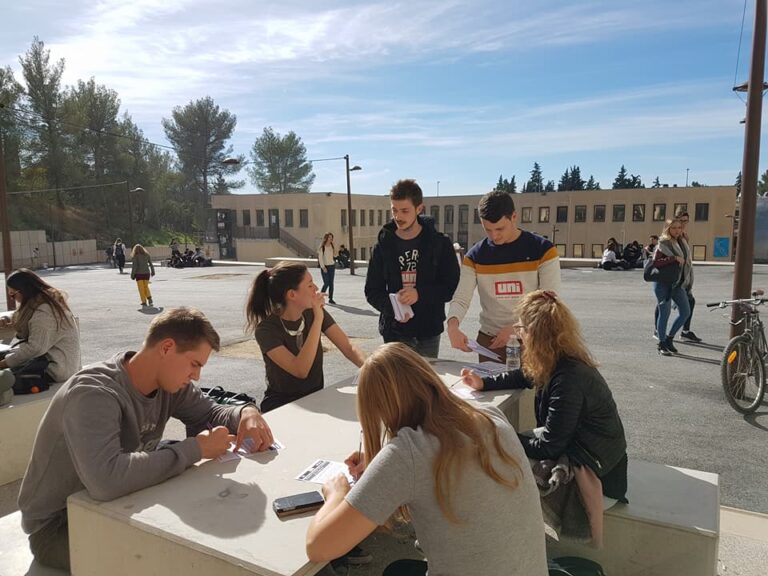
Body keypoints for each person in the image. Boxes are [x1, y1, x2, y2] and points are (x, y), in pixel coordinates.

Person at [17, 307, 275, 571]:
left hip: (121, 502)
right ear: (166, 348)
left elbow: (209, 413)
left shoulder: (170, 384)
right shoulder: (93, 392)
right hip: (60, 525)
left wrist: (246, 413)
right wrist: (195, 449)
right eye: (194, 364)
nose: (196, 376)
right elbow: (106, 481)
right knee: (167, 560)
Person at [305, 343, 547, 576]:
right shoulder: (489, 417)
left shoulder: (407, 454)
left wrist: (336, 493)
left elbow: (318, 547)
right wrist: (379, 462)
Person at [461, 289, 628, 504]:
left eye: (520, 328)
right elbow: (524, 376)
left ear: (535, 334)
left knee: (495, 463)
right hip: (586, 452)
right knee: (498, 452)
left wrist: (498, 435)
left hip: (598, 477)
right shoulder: (559, 359)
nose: (518, 334)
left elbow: (548, 447)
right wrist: (483, 383)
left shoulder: (568, 380)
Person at [447, 190, 561, 362]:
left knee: (535, 381)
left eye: (500, 228)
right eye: (488, 230)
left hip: (533, 338)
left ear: (514, 217)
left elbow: (549, 301)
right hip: (491, 342)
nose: (494, 236)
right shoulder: (475, 256)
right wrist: (453, 326)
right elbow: (461, 298)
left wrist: (518, 327)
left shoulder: (543, 250)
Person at [246, 262, 365, 413]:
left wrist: (372, 369)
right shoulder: (266, 330)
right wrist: (318, 320)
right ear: (292, 295)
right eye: (309, 285)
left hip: (316, 397)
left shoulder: (313, 312)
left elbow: (348, 347)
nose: (316, 288)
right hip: (282, 405)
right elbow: (300, 370)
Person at [365, 179, 460, 358]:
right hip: (394, 332)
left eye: (404, 210)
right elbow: (372, 291)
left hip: (428, 332)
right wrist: (394, 308)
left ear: (419, 209)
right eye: (394, 210)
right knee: (397, 377)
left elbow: (450, 287)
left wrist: (419, 294)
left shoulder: (439, 243)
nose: (398, 216)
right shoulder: (383, 246)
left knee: (425, 376)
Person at [0, 269, 80, 395]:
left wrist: (4, 364)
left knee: (5, 379)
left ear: (24, 290)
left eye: (13, 295)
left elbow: (35, 348)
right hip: (53, 362)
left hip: (56, 370)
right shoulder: (44, 301)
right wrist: (7, 319)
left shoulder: (44, 312)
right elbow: (24, 318)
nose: (12, 299)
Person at [651, 219, 692, 356]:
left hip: (677, 283)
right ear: (667, 229)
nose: (677, 230)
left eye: (679, 227)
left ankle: (669, 338)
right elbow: (656, 262)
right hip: (663, 283)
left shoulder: (682, 242)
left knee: (685, 312)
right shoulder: (663, 243)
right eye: (673, 228)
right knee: (665, 313)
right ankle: (661, 343)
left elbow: (686, 263)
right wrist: (673, 258)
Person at [676, 212, 701, 342]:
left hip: (685, 276)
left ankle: (685, 331)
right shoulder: (673, 235)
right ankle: (659, 331)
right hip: (676, 276)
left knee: (690, 302)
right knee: (664, 303)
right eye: (681, 220)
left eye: (686, 221)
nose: (684, 223)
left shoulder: (684, 236)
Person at [318, 233, 337, 304]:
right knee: (326, 283)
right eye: (329, 237)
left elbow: (335, 255)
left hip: (332, 266)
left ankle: (331, 298)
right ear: (326, 238)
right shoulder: (322, 247)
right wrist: (323, 267)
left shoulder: (332, 246)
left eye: (331, 237)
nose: (331, 239)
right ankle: (320, 297)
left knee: (331, 283)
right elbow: (320, 258)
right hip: (325, 267)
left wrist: (335, 248)